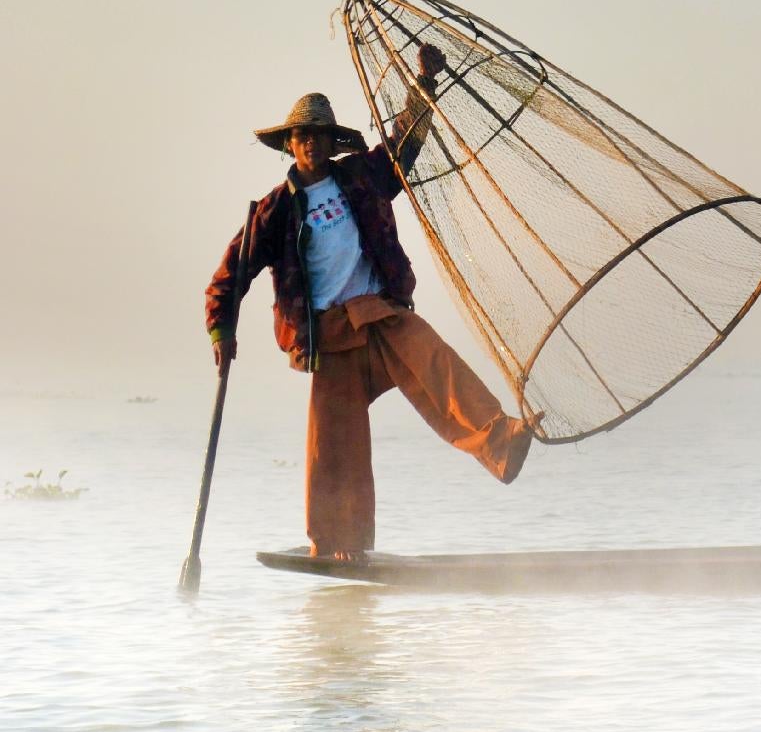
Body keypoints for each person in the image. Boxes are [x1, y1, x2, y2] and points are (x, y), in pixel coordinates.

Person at [204, 45, 537, 558]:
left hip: (377, 313)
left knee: (436, 362)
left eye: (319, 135)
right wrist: (222, 333)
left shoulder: (360, 175)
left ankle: (502, 441)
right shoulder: (273, 212)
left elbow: (403, 144)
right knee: (335, 448)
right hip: (328, 337)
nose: (311, 143)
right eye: (302, 136)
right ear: (290, 145)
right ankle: (339, 544)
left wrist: (423, 83)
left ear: (332, 143)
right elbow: (230, 276)